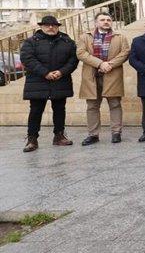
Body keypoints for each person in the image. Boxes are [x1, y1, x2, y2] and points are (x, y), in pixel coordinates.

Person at [20, 15, 79, 152]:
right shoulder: (30, 42)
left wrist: (62, 72)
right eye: (47, 25)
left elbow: (73, 60)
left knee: (59, 109)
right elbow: (28, 59)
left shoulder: (67, 41)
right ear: (41, 26)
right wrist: (45, 73)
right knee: (35, 111)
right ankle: (32, 139)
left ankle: (59, 136)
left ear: (58, 26)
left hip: (60, 80)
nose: (51, 27)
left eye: (54, 25)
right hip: (37, 81)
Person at [76, 12, 130, 146]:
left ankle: (116, 133)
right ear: (96, 22)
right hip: (92, 76)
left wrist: (109, 65)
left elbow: (125, 53)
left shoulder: (120, 37)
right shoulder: (85, 37)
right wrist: (100, 64)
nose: (106, 22)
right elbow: (81, 53)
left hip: (112, 75)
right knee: (92, 106)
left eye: (108, 20)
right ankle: (93, 135)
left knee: (115, 104)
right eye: (102, 20)